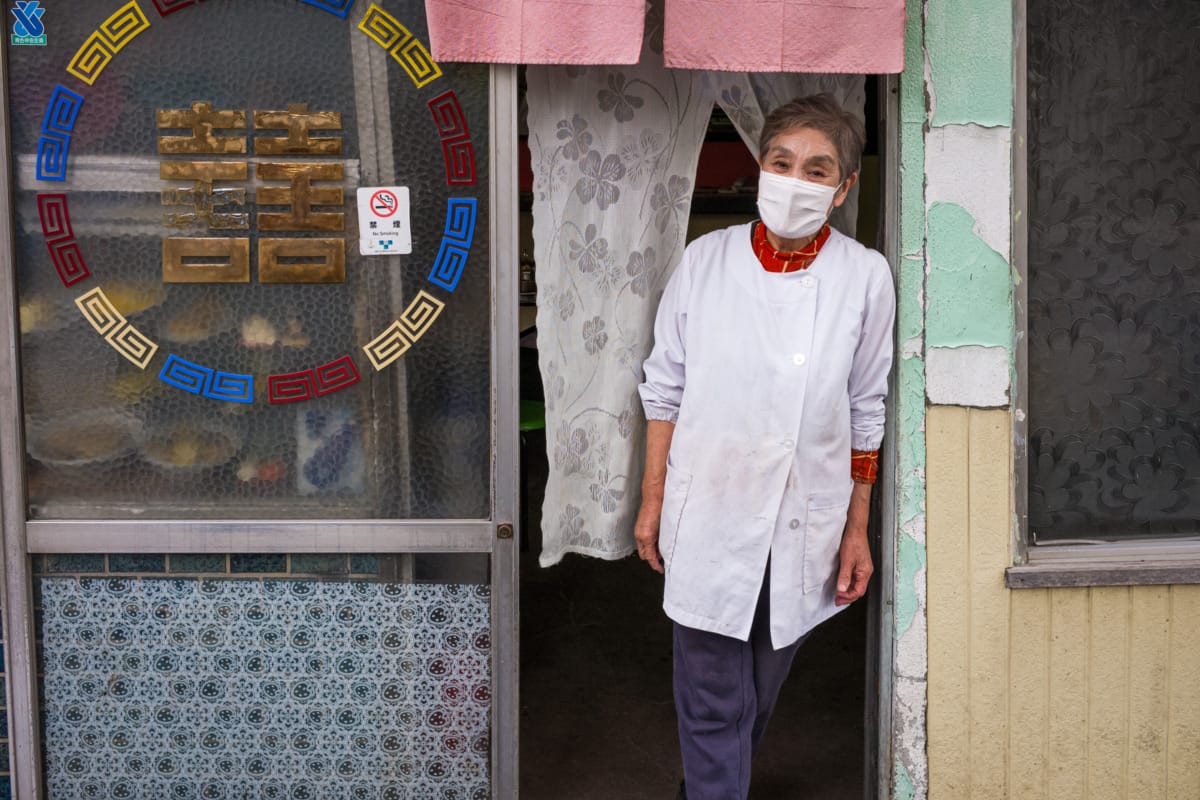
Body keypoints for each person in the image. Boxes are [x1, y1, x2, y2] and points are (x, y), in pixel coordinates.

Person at [633, 93, 895, 800]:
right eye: (782, 162)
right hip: (711, 509)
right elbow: (665, 392)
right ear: (759, 169)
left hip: (801, 519)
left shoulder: (863, 276)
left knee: (754, 694)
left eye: (818, 168)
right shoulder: (706, 261)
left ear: (843, 189)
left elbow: (866, 410)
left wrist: (857, 529)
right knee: (713, 700)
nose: (795, 178)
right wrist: (652, 501)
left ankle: (712, 789)